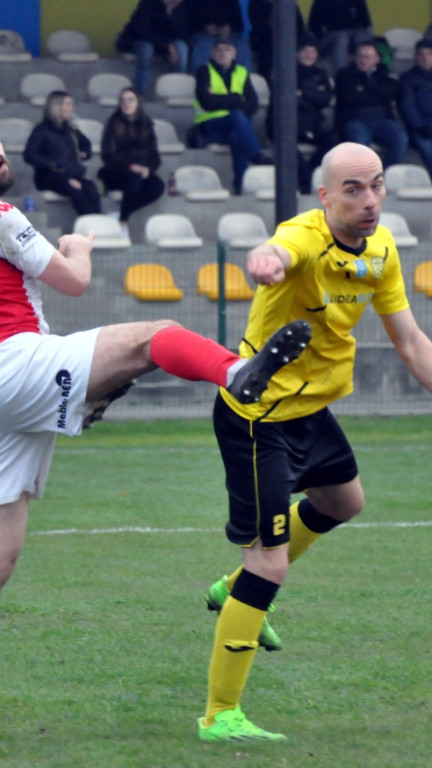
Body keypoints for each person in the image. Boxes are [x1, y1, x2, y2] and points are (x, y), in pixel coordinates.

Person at [0, 105, 311, 745]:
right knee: (156, 334)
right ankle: (237, 372)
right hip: (10, 366)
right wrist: (78, 245)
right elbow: (72, 281)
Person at [197, 141, 432, 742]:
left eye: (377, 185)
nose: (370, 200)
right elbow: (276, 248)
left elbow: (409, 341)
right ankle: (220, 715)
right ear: (325, 197)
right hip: (259, 416)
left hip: (312, 411)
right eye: (353, 189)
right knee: (268, 565)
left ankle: (231, 589)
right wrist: (265, 262)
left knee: (344, 503)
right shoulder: (303, 236)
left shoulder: (381, 251)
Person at [193, 37, 272, 195]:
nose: (223, 53)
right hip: (210, 126)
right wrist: (236, 98)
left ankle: (239, 186)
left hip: (234, 128)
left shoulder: (242, 73)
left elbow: (252, 105)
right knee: (237, 116)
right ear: (212, 53)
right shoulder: (204, 71)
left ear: (234, 53)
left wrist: (221, 99)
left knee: (238, 135)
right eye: (219, 50)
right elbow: (207, 102)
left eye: (227, 49)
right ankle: (256, 155)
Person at [265, 34, 336, 194]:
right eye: (305, 50)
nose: (309, 54)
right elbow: (286, 100)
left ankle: (310, 173)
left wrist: (302, 93)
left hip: (311, 123)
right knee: (286, 143)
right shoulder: (285, 71)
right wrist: (312, 94)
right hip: (284, 124)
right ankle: (306, 180)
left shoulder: (321, 73)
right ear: (297, 53)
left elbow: (325, 98)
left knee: (333, 140)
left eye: (313, 51)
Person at [97, 88, 165, 237]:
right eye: (123, 100)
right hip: (116, 172)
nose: (126, 103)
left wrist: (148, 168)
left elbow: (155, 156)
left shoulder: (146, 125)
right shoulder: (113, 124)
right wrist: (131, 167)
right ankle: (123, 222)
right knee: (134, 181)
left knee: (158, 186)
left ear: (138, 102)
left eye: (130, 99)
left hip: (141, 171)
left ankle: (121, 213)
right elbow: (108, 155)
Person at [22, 90, 101, 216]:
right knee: (76, 188)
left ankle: (98, 222)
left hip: (71, 172)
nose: (71, 108)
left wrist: (84, 153)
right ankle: (88, 222)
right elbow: (29, 155)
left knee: (91, 187)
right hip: (49, 175)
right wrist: (52, 164)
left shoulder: (70, 129)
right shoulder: (41, 130)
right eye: (68, 104)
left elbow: (86, 144)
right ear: (57, 107)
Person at [333, 40, 408, 169]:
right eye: (360, 56)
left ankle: (385, 175)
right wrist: (376, 93)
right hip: (355, 120)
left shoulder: (384, 75)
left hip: (382, 120)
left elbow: (390, 94)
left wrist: (364, 89)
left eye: (367, 57)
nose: (363, 60)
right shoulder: (344, 74)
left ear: (376, 59)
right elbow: (349, 98)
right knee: (360, 145)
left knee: (400, 138)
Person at [114, 0, 190, 96]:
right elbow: (143, 31)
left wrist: (170, 14)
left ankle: (177, 91)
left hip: (165, 42)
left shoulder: (181, 8)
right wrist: (167, 47)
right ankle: (139, 93)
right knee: (146, 50)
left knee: (182, 48)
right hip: (139, 40)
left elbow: (182, 34)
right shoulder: (147, 4)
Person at [185, 0, 252, 74]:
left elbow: (239, 26)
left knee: (242, 45)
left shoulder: (231, 1)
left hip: (228, 36)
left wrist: (229, 29)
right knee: (202, 45)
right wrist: (205, 29)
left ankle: (244, 79)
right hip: (203, 36)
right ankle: (201, 78)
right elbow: (188, 25)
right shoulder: (193, 2)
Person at [247, 0, 306, 83]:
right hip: (265, 39)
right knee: (267, 47)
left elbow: (300, 27)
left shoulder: (288, 3)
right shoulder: (256, 3)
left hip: (290, 40)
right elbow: (257, 25)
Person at [307, 0, 372, 75]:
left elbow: (366, 24)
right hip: (327, 39)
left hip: (353, 34)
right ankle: (341, 76)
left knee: (361, 36)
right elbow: (313, 28)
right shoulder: (322, 2)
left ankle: (368, 75)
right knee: (341, 37)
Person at [397, 39, 432, 174]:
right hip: (422, 126)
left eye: (429, 54)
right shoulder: (407, 78)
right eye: (421, 54)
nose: (425, 58)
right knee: (426, 146)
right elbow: (407, 106)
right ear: (415, 56)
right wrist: (420, 126)